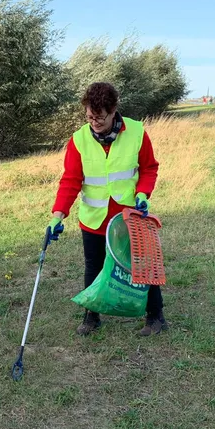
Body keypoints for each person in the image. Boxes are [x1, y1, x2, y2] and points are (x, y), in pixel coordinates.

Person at [50, 82, 168, 337]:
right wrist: (58, 214)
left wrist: (143, 194)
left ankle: (156, 316)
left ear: (113, 109)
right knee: (93, 266)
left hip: (129, 217)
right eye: (90, 117)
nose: (94, 122)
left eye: (100, 117)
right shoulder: (79, 139)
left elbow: (149, 168)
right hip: (93, 218)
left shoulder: (136, 132)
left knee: (140, 265)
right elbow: (70, 180)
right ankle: (91, 316)